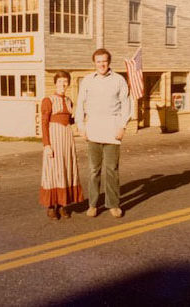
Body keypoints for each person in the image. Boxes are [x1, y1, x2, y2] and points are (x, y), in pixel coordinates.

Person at [75, 48, 131, 218]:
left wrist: (122, 126)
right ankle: (93, 204)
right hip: (93, 131)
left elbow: (126, 104)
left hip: (112, 131)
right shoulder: (87, 81)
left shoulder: (118, 80)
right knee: (93, 170)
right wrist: (81, 127)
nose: (102, 64)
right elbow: (79, 105)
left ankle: (113, 204)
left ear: (109, 62)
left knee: (112, 169)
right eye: (98, 61)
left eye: (104, 61)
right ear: (94, 63)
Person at [39, 70, 84, 220]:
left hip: (67, 139)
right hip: (54, 139)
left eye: (65, 82)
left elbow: (69, 120)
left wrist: (81, 116)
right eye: (60, 82)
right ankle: (51, 207)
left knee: (66, 169)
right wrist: (46, 145)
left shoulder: (69, 101)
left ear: (68, 84)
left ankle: (63, 205)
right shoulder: (48, 100)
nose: (63, 85)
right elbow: (44, 123)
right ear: (55, 83)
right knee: (53, 170)